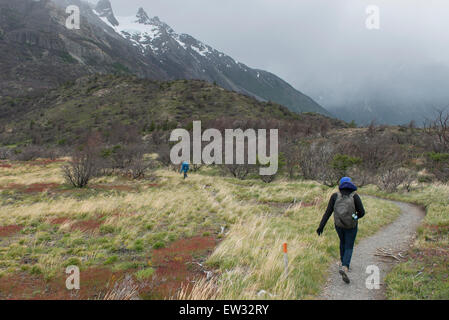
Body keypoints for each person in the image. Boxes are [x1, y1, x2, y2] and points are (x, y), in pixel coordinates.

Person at [316, 177, 365, 284]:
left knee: (342, 242)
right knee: (349, 245)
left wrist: (321, 226)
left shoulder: (335, 196)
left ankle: (343, 262)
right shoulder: (355, 196)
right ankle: (345, 266)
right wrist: (354, 217)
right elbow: (362, 212)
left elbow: (328, 212)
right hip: (351, 225)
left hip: (338, 225)